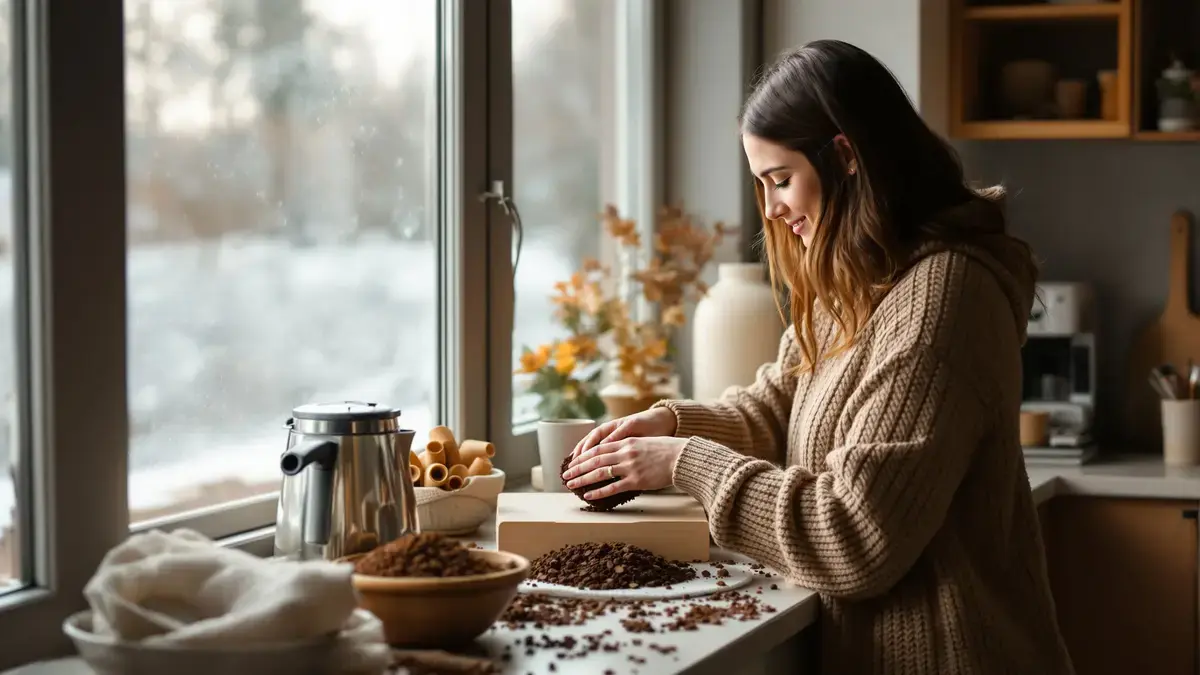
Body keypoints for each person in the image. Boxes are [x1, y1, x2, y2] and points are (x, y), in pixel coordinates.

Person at [562, 40, 1075, 674]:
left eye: (781, 180)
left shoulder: (944, 297)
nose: (773, 210)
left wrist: (686, 462)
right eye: (763, 185)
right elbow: (785, 405)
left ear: (845, 155)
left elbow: (855, 537)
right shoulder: (866, 276)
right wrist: (673, 424)